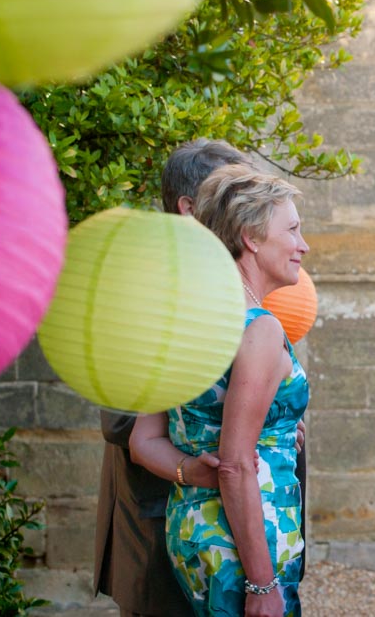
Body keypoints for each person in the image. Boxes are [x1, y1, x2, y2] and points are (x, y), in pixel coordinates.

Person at [130, 165, 311, 616]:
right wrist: (262, 583)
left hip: (193, 533)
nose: (302, 245)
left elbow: (143, 441)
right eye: (292, 230)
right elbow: (233, 466)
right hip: (246, 540)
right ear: (251, 237)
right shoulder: (259, 329)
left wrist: (192, 469)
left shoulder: (177, 319)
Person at [94, 138, 243, 617]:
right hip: (160, 530)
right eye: (231, 195)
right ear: (188, 208)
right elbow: (118, 418)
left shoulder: (241, 279)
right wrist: (235, 434)